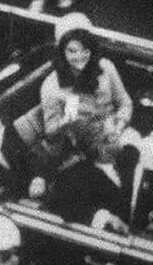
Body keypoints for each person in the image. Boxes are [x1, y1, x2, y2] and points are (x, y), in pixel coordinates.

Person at [24, 13, 133, 160]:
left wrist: (118, 127)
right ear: (61, 52)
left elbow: (125, 103)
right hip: (86, 152)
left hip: (118, 133)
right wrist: (65, 122)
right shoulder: (50, 86)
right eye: (72, 51)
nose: (79, 57)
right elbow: (51, 133)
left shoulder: (106, 66)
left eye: (84, 50)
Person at [48, 121, 141, 233]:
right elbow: (68, 207)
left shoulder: (125, 161)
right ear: (101, 147)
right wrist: (105, 218)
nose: (119, 136)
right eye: (112, 136)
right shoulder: (78, 174)